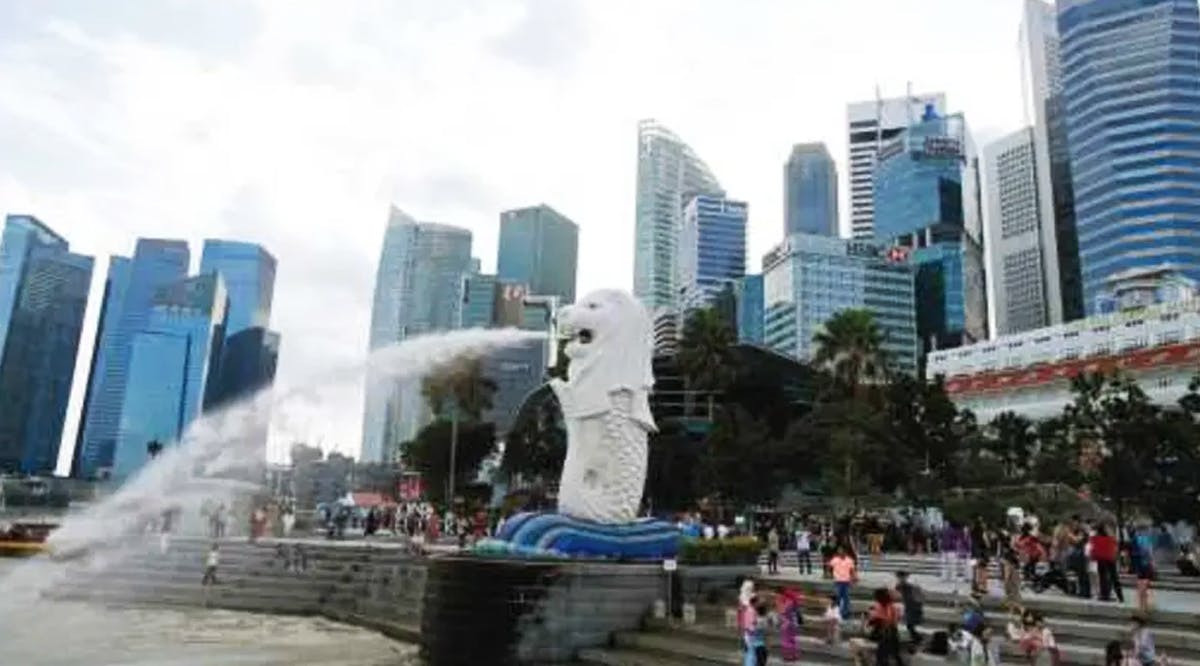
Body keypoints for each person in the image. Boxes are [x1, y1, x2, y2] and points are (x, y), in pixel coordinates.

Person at [866, 587, 903, 666]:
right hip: (882, 633)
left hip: (888, 633)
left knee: (887, 642)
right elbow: (873, 622)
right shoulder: (880, 606)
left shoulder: (892, 607)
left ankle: (886, 661)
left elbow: (891, 621)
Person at [1091, 524, 1123, 602]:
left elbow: (1093, 547)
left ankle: (1104, 594)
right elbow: (1115, 546)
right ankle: (1120, 595)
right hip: (1110, 558)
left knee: (1102, 577)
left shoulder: (1096, 537)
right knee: (1114, 576)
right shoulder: (1110, 537)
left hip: (1101, 558)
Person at [895, 571, 924, 645]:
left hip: (913, 608)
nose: (901, 579)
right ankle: (916, 638)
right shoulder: (898, 586)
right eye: (899, 577)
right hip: (907, 608)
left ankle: (917, 639)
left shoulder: (911, 587)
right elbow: (897, 597)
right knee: (909, 626)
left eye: (903, 577)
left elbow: (918, 599)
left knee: (909, 625)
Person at [1131, 527, 1155, 614]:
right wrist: (1152, 563)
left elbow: (1132, 553)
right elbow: (1149, 551)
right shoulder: (1146, 539)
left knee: (1140, 584)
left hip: (1138, 565)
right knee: (1145, 585)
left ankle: (1141, 606)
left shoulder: (1134, 539)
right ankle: (1144, 606)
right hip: (1145, 564)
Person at [830, 544, 857, 620]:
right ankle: (835, 612)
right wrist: (833, 575)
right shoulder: (834, 559)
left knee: (846, 598)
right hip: (838, 581)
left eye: (841, 550)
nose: (840, 551)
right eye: (839, 550)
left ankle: (845, 613)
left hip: (846, 581)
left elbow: (852, 570)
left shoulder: (850, 560)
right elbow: (830, 567)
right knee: (837, 597)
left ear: (845, 551)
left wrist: (854, 577)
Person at [776, 587, 803, 662]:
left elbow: (782, 612)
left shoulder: (785, 602)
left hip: (786, 623)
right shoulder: (793, 601)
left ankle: (788, 656)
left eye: (778, 595)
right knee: (793, 639)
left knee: (785, 640)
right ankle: (795, 655)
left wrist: (779, 603)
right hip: (794, 622)